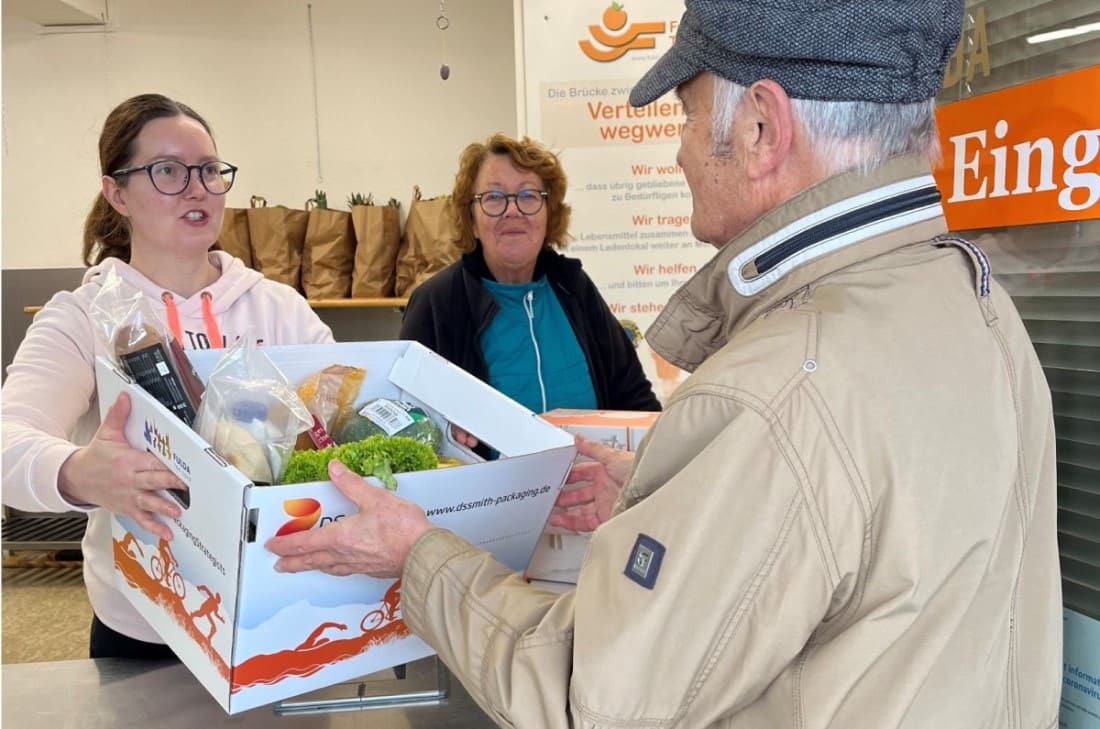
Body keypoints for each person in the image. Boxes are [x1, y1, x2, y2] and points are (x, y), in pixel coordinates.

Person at [267, 1, 1062, 726]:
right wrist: (662, 497)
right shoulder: (976, 301)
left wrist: (417, 556)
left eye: (686, 113)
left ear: (760, 128)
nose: (680, 152)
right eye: (494, 199)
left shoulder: (777, 390)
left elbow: (588, 694)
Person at [1, 93, 334, 660]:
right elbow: (8, 442)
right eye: (168, 172)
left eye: (208, 170)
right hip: (146, 630)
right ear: (116, 193)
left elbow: (342, 419)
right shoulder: (82, 315)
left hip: (280, 614)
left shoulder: (279, 309)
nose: (198, 187)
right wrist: (81, 472)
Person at [398, 133, 660, 423]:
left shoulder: (573, 288)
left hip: (589, 468)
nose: (513, 210)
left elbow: (635, 400)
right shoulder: (437, 303)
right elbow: (411, 423)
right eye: (494, 197)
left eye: (528, 196)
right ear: (471, 219)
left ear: (549, 215)